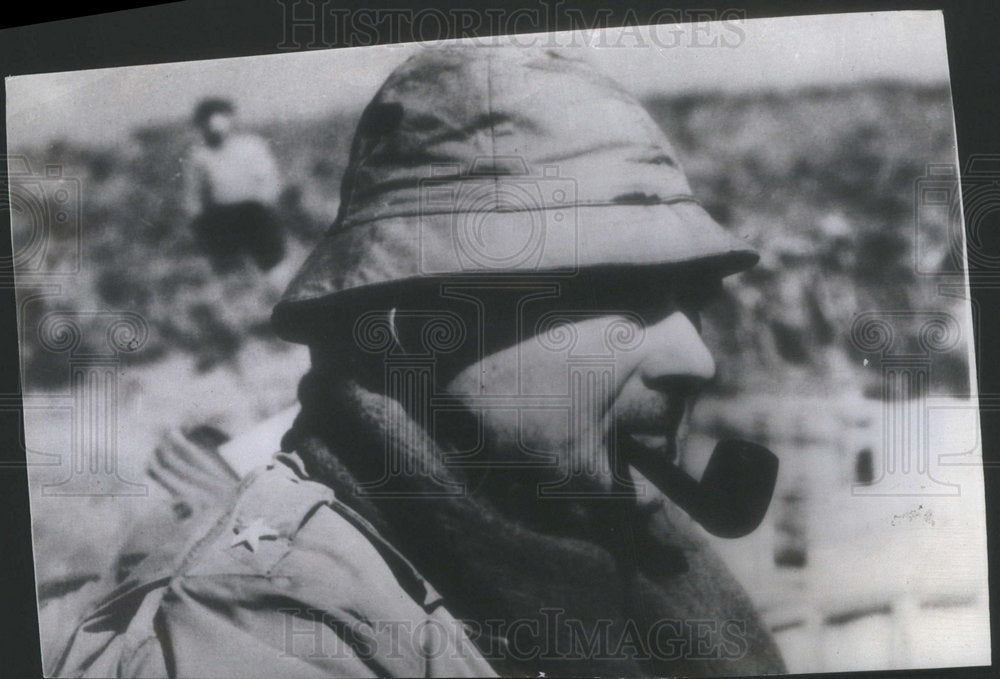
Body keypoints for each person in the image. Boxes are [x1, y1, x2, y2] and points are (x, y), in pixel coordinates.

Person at [54, 46, 786, 677]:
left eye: (693, 298)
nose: (697, 358)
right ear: (415, 330)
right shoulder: (279, 620)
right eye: (615, 297)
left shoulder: (617, 525)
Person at [183, 97, 286, 272]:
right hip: (220, 218)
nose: (214, 125)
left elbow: (269, 179)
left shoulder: (252, 145)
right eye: (206, 120)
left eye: (220, 117)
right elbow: (193, 192)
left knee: (272, 265)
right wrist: (196, 221)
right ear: (201, 125)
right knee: (230, 269)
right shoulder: (199, 155)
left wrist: (266, 208)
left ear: (230, 118)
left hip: (255, 214)